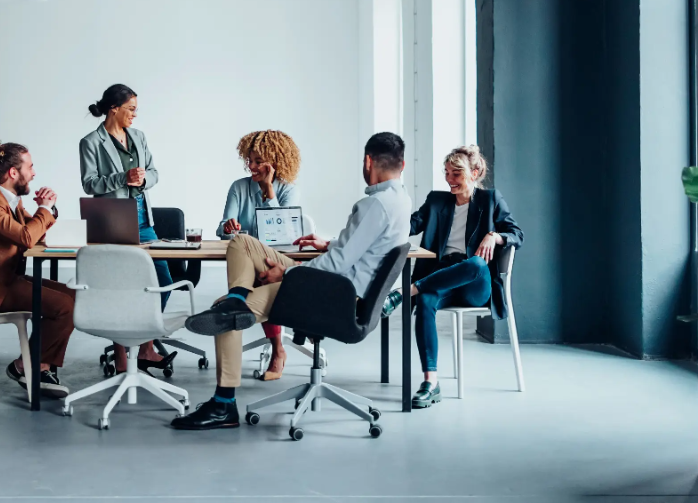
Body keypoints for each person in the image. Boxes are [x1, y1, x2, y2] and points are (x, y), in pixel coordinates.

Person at [171, 132, 412, 430]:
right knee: (243, 242)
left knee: (226, 318)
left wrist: (286, 273)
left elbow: (336, 266)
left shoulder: (373, 205)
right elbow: (360, 250)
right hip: (344, 288)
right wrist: (329, 244)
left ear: (367, 161)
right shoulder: (400, 200)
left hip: (334, 294)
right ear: (402, 165)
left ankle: (223, 405)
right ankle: (236, 298)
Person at [382, 145, 522, 409]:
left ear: (475, 173)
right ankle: (430, 383)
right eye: (446, 173)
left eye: (456, 174)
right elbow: (409, 226)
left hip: (474, 284)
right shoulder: (437, 201)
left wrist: (495, 235)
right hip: (441, 277)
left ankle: (405, 292)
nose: (449, 180)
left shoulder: (490, 200)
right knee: (424, 302)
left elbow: (517, 234)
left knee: (478, 264)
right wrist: (394, 204)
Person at [0, 139, 75, 399]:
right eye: (30, 167)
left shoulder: (9, 200)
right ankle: (31, 367)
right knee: (66, 306)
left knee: (74, 296)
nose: (34, 172)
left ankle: (34, 365)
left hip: (4, 279)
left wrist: (47, 210)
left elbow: (35, 233)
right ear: (13, 173)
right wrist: (43, 210)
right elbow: (28, 238)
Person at [78, 83, 176, 375]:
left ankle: (144, 346)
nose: (135, 115)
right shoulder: (91, 142)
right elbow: (89, 183)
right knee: (119, 285)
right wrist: (122, 178)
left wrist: (143, 181)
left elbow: (154, 173)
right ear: (114, 109)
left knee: (161, 278)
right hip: (111, 218)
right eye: (131, 109)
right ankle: (124, 355)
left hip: (143, 218)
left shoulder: (139, 137)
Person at [217, 130, 302, 381]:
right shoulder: (239, 187)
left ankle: (277, 349)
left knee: (263, 274)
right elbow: (222, 227)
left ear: (274, 163)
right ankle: (274, 346)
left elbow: (283, 234)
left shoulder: (288, 190)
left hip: (275, 258)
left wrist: (268, 191)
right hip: (246, 257)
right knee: (254, 274)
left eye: (257, 162)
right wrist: (226, 227)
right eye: (249, 160)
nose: (251, 166)